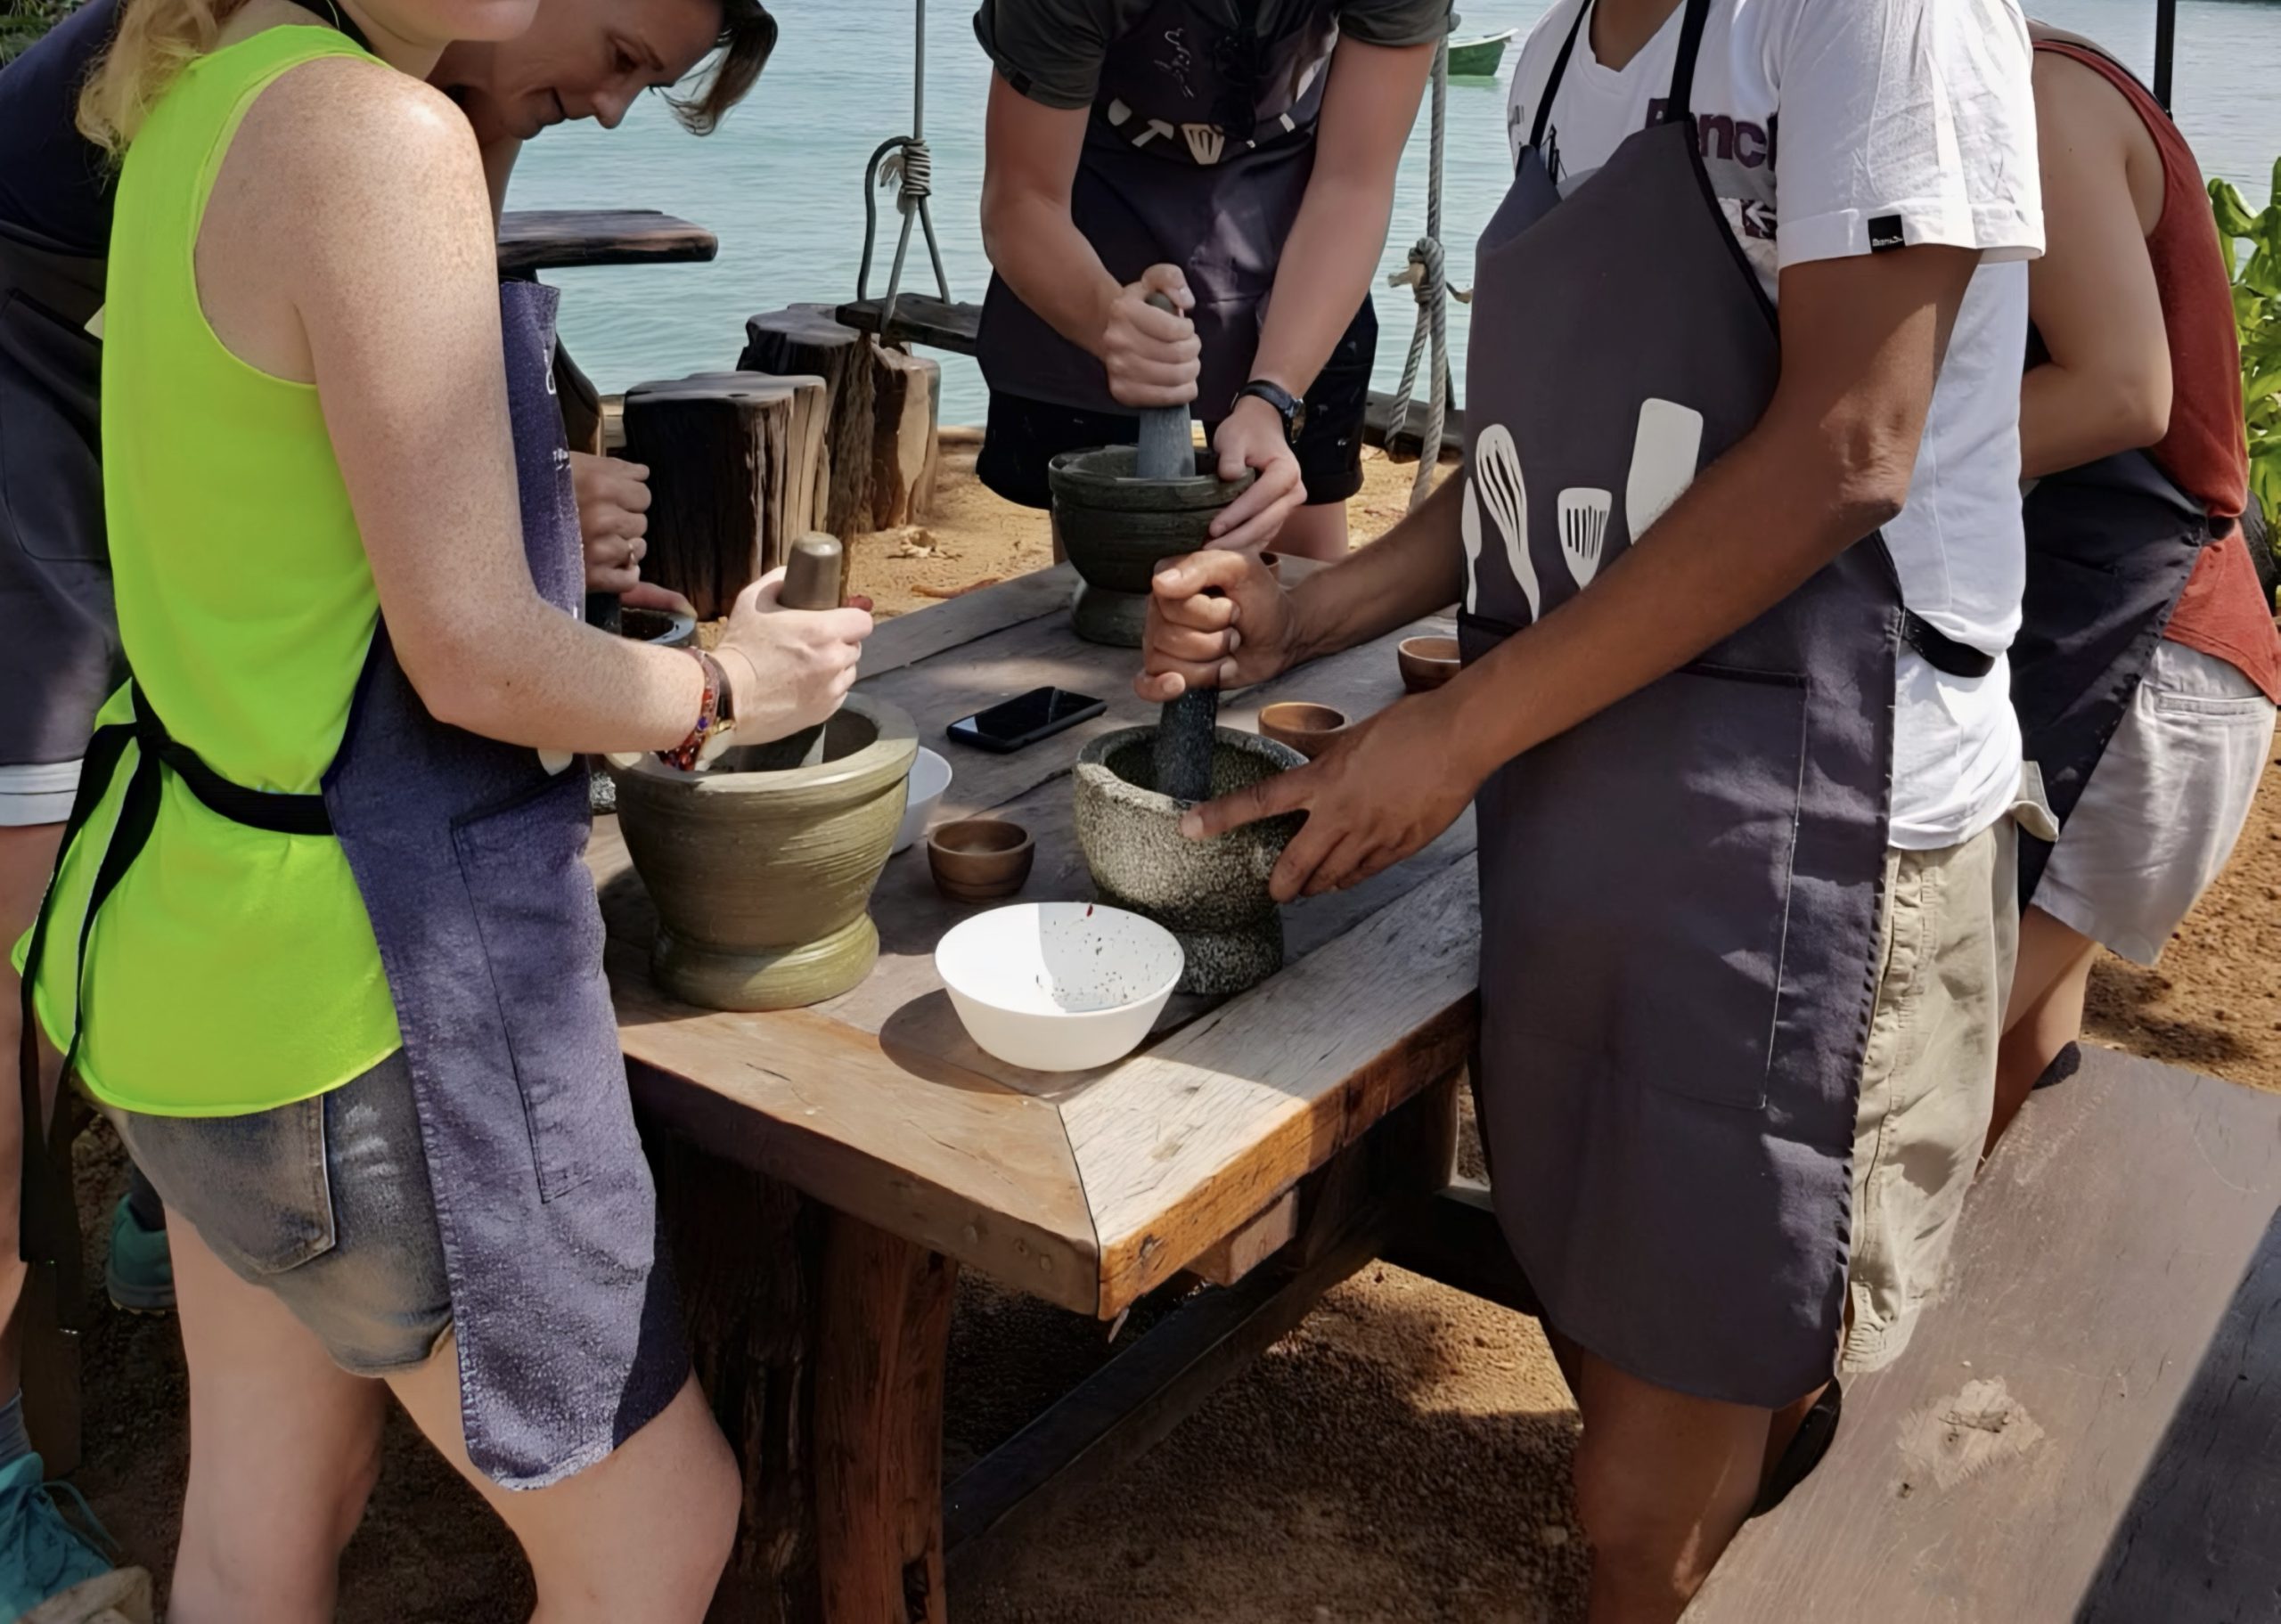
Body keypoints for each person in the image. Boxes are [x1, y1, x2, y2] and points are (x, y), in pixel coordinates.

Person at [1139, 0, 2041, 1616]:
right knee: (1619, 1317)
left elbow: (1850, 444)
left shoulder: (1870, 20)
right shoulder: (1560, 59)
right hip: (1589, 775)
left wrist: (1458, 727)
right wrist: (1310, 611)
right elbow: (1531, 450)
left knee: (1645, 1487)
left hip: (1823, 816)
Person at [12, 0, 874, 1614]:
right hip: (368, 1002)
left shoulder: (202, 87)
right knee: (656, 1537)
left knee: (262, 1515)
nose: (608, 101)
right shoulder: (374, 135)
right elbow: (472, 657)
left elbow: (289, 540)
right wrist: (727, 687)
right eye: (625, 56)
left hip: (185, 968)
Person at [1983, 25, 2281, 1154]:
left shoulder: (2043, 98)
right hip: (2127, 628)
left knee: (1914, 1060)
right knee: (2019, 1043)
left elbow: (2118, 391)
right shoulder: (2017, 85)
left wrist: (1836, 466)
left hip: (2148, 654)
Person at [969, 0, 1441, 559]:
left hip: (1301, 224)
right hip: (1092, 214)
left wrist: (1273, 395)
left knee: (1300, 574)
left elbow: (1352, 184)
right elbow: (1022, 199)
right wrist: (1103, 317)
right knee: (1107, 562)